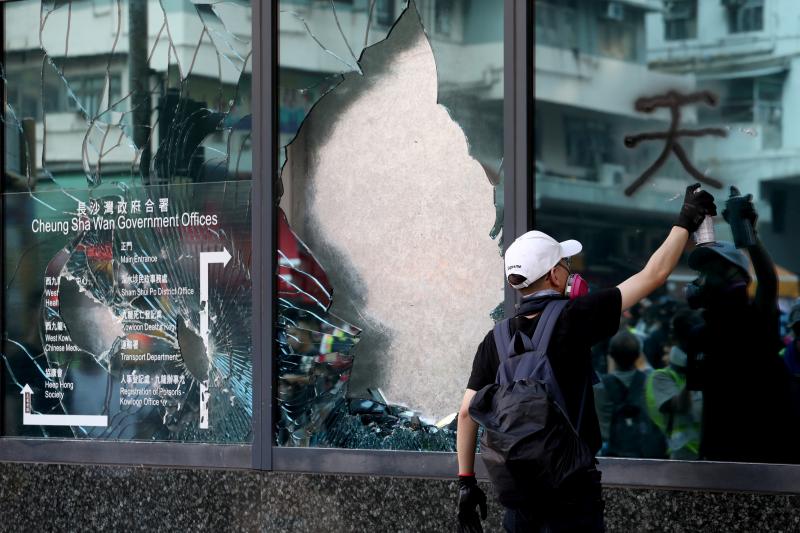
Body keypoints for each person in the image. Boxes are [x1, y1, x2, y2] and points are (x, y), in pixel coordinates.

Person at [455, 184, 716, 532]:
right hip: (572, 497)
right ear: (554, 274)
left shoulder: (495, 339)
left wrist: (466, 483)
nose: (569, 270)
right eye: (565, 264)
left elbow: (466, 413)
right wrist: (686, 220)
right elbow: (654, 274)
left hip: (519, 500)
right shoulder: (575, 317)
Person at [682, 196, 797, 463]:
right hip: (719, 455)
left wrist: (750, 235)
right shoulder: (699, 335)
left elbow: (767, 281)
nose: (699, 281)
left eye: (707, 271)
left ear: (735, 277)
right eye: (699, 274)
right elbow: (705, 402)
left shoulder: (755, 318)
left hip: (766, 454)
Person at [596, 331, 666, 458]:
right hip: (643, 452)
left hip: (610, 453)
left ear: (610, 355)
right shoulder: (650, 381)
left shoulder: (599, 387)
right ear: (638, 355)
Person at [645, 310, 703, 460]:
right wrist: (694, 369)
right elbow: (681, 406)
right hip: (683, 454)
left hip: (713, 453)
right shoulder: (661, 377)